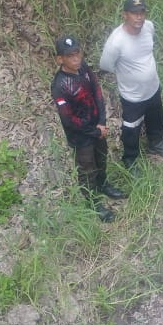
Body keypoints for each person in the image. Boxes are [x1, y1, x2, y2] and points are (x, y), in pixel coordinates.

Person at [50, 35, 126, 222]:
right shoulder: (59, 85)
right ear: (60, 59)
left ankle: (103, 185)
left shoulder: (84, 68)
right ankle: (92, 201)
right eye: (70, 56)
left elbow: (97, 92)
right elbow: (68, 119)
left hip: (97, 126)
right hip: (81, 136)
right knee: (86, 169)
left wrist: (102, 121)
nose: (76, 59)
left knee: (101, 159)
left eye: (78, 54)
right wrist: (94, 131)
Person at [100, 0, 163, 168]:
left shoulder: (148, 27)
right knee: (131, 128)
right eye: (134, 13)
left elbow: (148, 50)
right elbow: (105, 65)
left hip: (153, 88)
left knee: (156, 117)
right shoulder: (116, 42)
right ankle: (130, 159)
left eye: (142, 12)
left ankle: (156, 143)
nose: (139, 17)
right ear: (125, 15)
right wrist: (128, 75)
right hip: (132, 95)